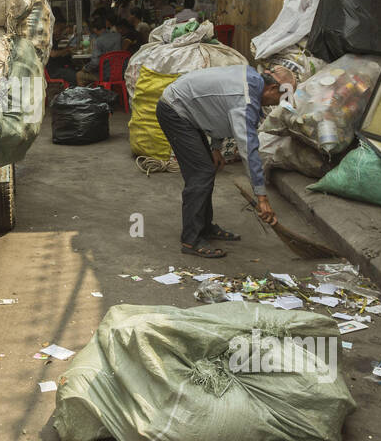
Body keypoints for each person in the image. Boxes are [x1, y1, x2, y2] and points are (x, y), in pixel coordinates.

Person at [156, 64, 296, 259]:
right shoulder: (246, 99)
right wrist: (261, 197)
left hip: (186, 107)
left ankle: (204, 228)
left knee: (206, 170)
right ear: (272, 89)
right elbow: (249, 149)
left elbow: (217, 110)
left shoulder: (250, 78)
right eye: (281, 99)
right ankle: (191, 239)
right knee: (201, 173)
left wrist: (215, 147)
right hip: (175, 110)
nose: (277, 104)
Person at [76, 15, 123, 86]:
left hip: (105, 75)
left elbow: (95, 63)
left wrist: (85, 68)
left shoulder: (98, 41)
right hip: (120, 73)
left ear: (95, 29)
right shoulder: (118, 36)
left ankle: (85, 95)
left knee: (79, 75)